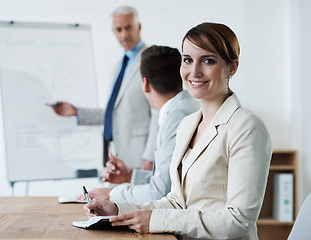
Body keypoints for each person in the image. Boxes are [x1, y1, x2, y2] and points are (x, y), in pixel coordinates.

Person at [83, 22, 272, 240]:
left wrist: (154, 220)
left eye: (208, 60)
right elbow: (176, 201)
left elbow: (238, 220)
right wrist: (118, 209)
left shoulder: (246, 127)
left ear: (232, 67)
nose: (194, 71)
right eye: (187, 60)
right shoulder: (187, 125)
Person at [83, 45, 199, 203]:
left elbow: (159, 192)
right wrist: (130, 175)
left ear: (145, 84)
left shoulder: (176, 117)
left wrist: (111, 194)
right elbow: (168, 180)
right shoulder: (183, 106)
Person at [50, 6, 158, 170]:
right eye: (119, 29)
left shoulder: (153, 60)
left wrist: (150, 157)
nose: (124, 34)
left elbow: (159, 113)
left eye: (128, 27)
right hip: (114, 154)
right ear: (113, 31)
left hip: (140, 158)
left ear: (139, 27)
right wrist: (76, 112)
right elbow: (114, 113)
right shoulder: (118, 67)